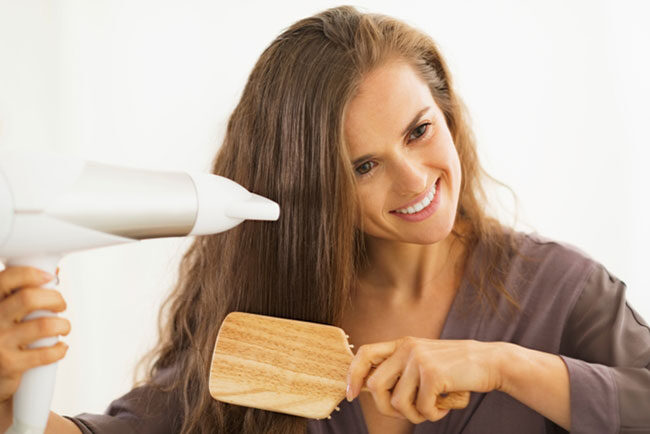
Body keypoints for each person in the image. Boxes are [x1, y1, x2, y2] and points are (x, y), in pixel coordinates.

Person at [1, 5, 649, 434]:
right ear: (312, 188)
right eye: (363, 166)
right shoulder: (267, 312)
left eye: (420, 131)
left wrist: (503, 366)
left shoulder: (560, 292)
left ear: (446, 112)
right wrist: (9, 396)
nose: (414, 179)